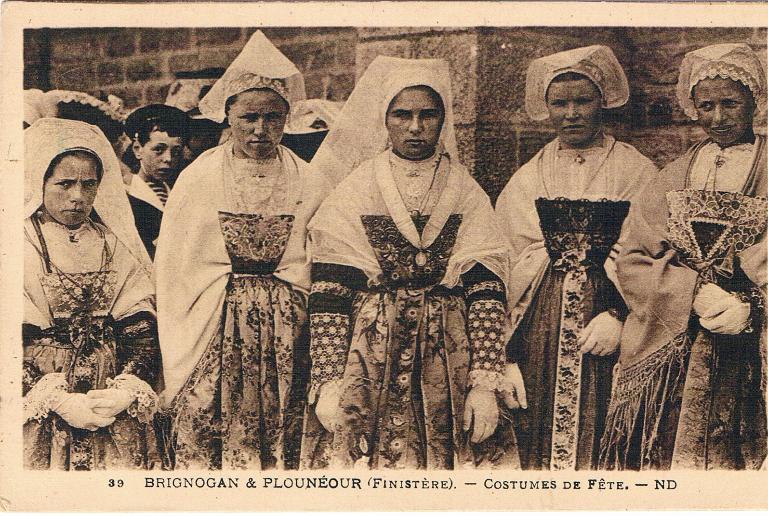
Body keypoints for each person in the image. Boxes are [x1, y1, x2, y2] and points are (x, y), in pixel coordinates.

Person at [301, 56, 518, 470]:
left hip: (449, 355)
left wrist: (485, 382)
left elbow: (487, 289)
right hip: (370, 354)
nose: (415, 127)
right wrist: (328, 382)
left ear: (443, 119)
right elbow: (330, 291)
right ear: (384, 119)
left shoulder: (465, 190)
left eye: (427, 115)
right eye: (402, 114)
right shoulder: (357, 188)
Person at [155, 30, 329, 470]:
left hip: (290, 325)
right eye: (249, 117)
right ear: (228, 115)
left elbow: (320, 256)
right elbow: (176, 265)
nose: (259, 129)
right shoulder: (199, 178)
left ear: (287, 117)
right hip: (213, 319)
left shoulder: (310, 179)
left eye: (272, 118)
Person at [600, 43, 768, 470]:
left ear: (755, 99)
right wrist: (691, 293)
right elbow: (636, 255)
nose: (718, 117)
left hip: (752, 340)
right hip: (683, 337)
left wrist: (750, 307)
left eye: (730, 103)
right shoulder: (674, 175)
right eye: (706, 106)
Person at [495, 45, 657, 470]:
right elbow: (507, 256)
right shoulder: (529, 175)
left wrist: (621, 317)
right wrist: (505, 353)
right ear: (546, 108)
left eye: (582, 101)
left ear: (603, 101)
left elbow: (653, 254)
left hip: (609, 321)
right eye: (559, 103)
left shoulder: (635, 170)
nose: (571, 114)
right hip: (540, 327)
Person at [23, 118, 162, 470]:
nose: (78, 196)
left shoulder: (112, 243)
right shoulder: (16, 243)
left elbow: (140, 323)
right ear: (38, 182)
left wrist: (128, 387)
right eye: (64, 184)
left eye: (89, 184)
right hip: (44, 393)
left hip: (109, 390)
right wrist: (54, 398)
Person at [124, 104, 191, 259]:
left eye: (176, 151)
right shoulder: (126, 195)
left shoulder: (182, 192)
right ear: (138, 149)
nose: (168, 159)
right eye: (158, 150)